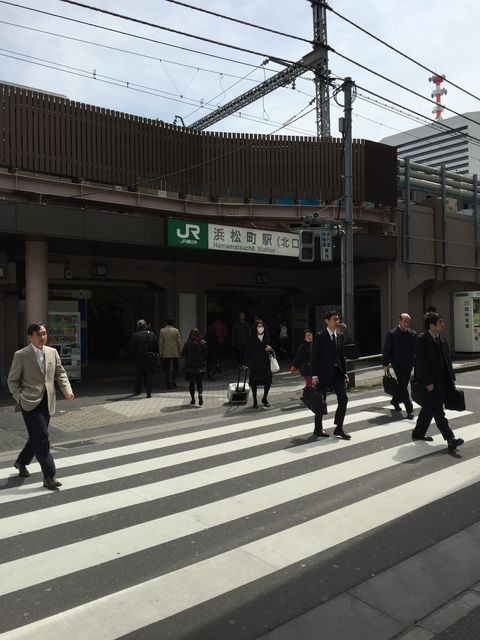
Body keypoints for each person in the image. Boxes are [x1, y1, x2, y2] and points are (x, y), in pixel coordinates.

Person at [7, 322, 74, 490]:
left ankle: (21, 462)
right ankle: (49, 476)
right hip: (28, 402)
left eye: (44, 333)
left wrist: (67, 390)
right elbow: (12, 380)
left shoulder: (52, 352)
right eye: (39, 334)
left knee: (36, 437)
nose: (43, 337)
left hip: (47, 400)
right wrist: (19, 398)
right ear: (30, 336)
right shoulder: (21, 355)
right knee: (42, 437)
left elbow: (60, 373)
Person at [412, 312, 464, 451]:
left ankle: (418, 433)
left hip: (443, 381)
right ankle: (450, 438)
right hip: (431, 382)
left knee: (429, 409)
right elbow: (421, 363)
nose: (443, 324)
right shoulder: (422, 340)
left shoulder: (442, 339)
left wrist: (451, 377)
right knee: (438, 411)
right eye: (440, 322)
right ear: (432, 325)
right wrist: (428, 381)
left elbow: (447, 360)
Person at [311, 310, 350, 440]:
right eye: (334, 319)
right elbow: (315, 357)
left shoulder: (340, 336)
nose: (337, 321)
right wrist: (314, 375)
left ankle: (339, 428)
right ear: (327, 321)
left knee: (343, 398)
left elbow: (341, 356)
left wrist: (345, 373)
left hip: (337, 373)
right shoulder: (320, 336)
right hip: (323, 374)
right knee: (321, 401)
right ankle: (318, 428)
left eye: (338, 319)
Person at [382, 313, 416, 419]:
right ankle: (409, 409)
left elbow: (416, 350)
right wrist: (385, 364)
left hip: (409, 363)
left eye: (408, 321)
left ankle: (395, 400)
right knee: (402, 384)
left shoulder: (413, 334)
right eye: (404, 321)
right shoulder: (392, 334)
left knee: (403, 385)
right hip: (397, 364)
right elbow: (387, 349)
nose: (406, 323)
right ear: (400, 321)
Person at [244, 319, 273, 409]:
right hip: (255, 363)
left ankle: (264, 398)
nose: (261, 328)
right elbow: (247, 351)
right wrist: (244, 363)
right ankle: (255, 401)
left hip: (265, 362)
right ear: (255, 328)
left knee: (268, 381)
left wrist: (270, 349)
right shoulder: (251, 338)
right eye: (259, 326)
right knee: (255, 382)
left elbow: (272, 348)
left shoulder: (267, 336)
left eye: (262, 326)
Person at [131, 319, 158, 398]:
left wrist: (133, 357)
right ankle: (149, 391)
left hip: (139, 358)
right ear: (145, 325)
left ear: (138, 326)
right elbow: (156, 346)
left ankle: (138, 390)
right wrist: (155, 354)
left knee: (139, 374)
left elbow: (133, 348)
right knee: (149, 374)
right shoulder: (152, 334)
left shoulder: (135, 335)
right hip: (150, 357)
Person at [182, 328, 208, 406]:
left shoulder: (187, 343)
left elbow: (183, 354)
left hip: (190, 367)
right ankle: (200, 394)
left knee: (191, 383)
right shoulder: (202, 343)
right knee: (199, 383)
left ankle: (193, 399)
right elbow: (206, 354)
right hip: (200, 366)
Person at [290, 329, 313, 399]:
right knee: (310, 383)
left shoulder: (314, 344)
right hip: (306, 368)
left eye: (311, 335)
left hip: (314, 368)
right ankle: (303, 393)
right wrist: (294, 367)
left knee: (310, 384)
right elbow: (298, 358)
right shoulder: (302, 346)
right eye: (308, 335)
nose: (310, 337)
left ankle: (303, 393)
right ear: (304, 337)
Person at [159, 318, 182, 389]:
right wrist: (180, 351)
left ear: (166, 322)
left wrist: (161, 353)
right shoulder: (176, 330)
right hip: (175, 351)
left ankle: (168, 384)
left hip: (166, 352)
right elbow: (179, 342)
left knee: (166, 369)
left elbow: (161, 343)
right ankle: (173, 380)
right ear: (173, 323)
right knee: (176, 366)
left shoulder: (162, 330)